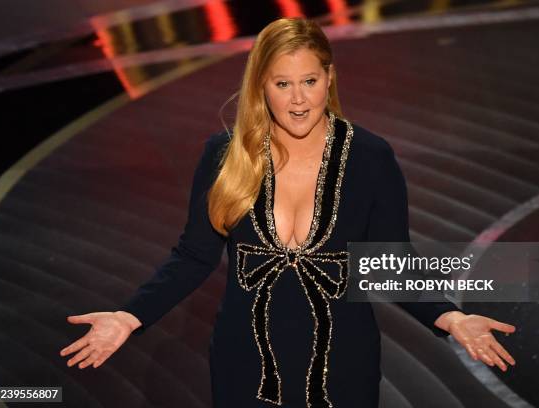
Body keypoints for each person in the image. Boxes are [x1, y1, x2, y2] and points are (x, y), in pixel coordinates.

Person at [60, 17, 516, 408]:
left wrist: (451, 317)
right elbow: (194, 256)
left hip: (345, 366)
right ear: (261, 84)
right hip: (245, 366)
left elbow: (390, 264)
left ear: (329, 77)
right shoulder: (224, 155)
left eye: (309, 81)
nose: (298, 101)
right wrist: (129, 316)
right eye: (282, 84)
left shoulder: (370, 157)